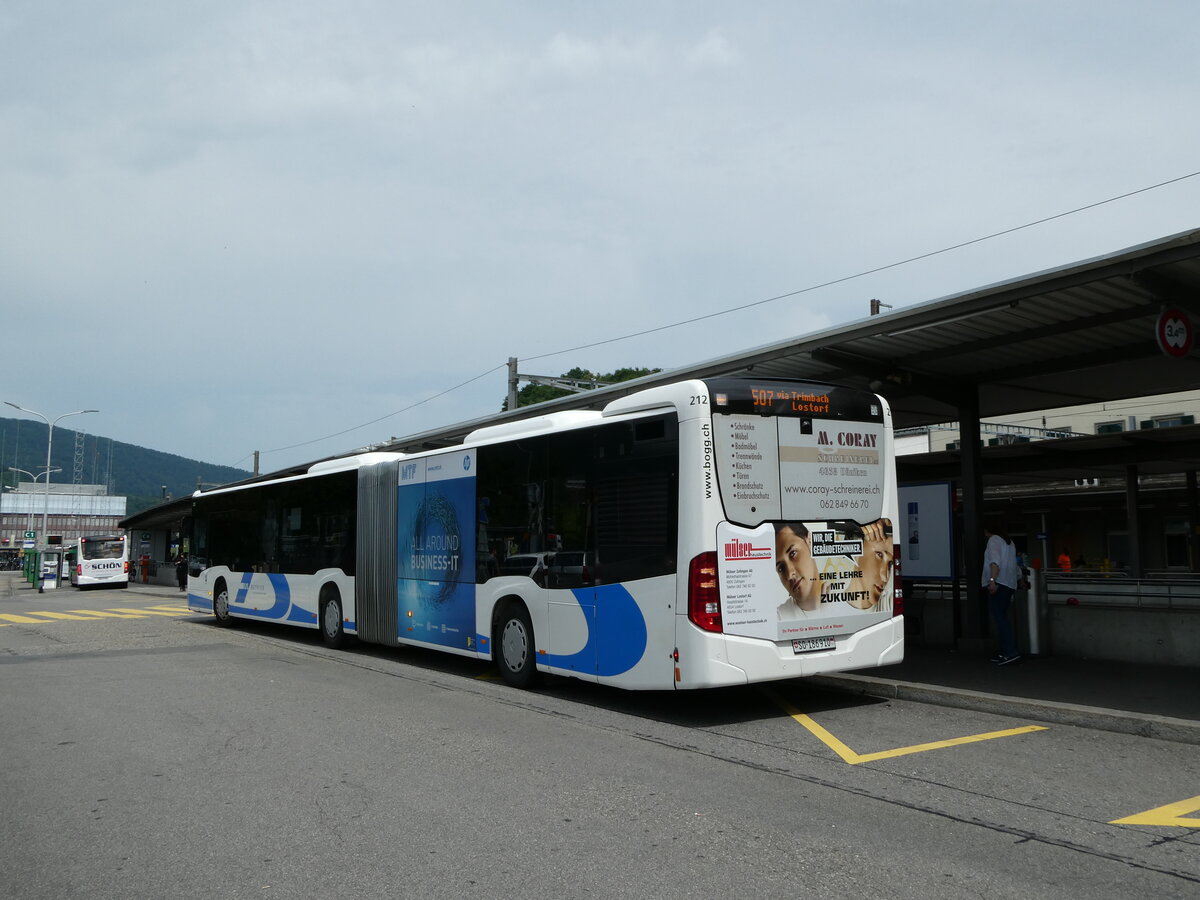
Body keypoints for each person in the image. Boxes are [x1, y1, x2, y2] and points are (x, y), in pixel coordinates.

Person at [983, 523, 1021, 665]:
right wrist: (1020, 579)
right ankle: (1007, 650)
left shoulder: (994, 540)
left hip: (999, 583)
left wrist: (992, 580)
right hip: (1010, 583)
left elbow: (994, 562)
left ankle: (1009, 651)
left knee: (999, 618)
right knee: (1003, 617)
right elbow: (1014, 564)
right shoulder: (1009, 542)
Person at [775, 523, 821, 617]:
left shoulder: (846, 603)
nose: (789, 574)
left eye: (793, 553)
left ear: (809, 542)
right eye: (780, 568)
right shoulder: (777, 618)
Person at [848, 519, 893, 610]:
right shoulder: (825, 597)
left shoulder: (890, 605)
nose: (885, 577)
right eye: (879, 555)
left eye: (890, 563)